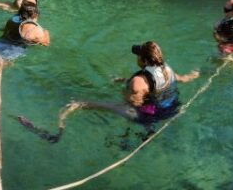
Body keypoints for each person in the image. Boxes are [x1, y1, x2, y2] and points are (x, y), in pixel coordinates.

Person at [16, 41, 199, 142]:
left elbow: (132, 103)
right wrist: (195, 75)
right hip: (173, 108)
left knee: (79, 103)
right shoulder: (167, 68)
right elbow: (181, 79)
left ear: (143, 60)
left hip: (149, 116)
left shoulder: (138, 82)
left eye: (138, 55)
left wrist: (122, 92)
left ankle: (57, 132)